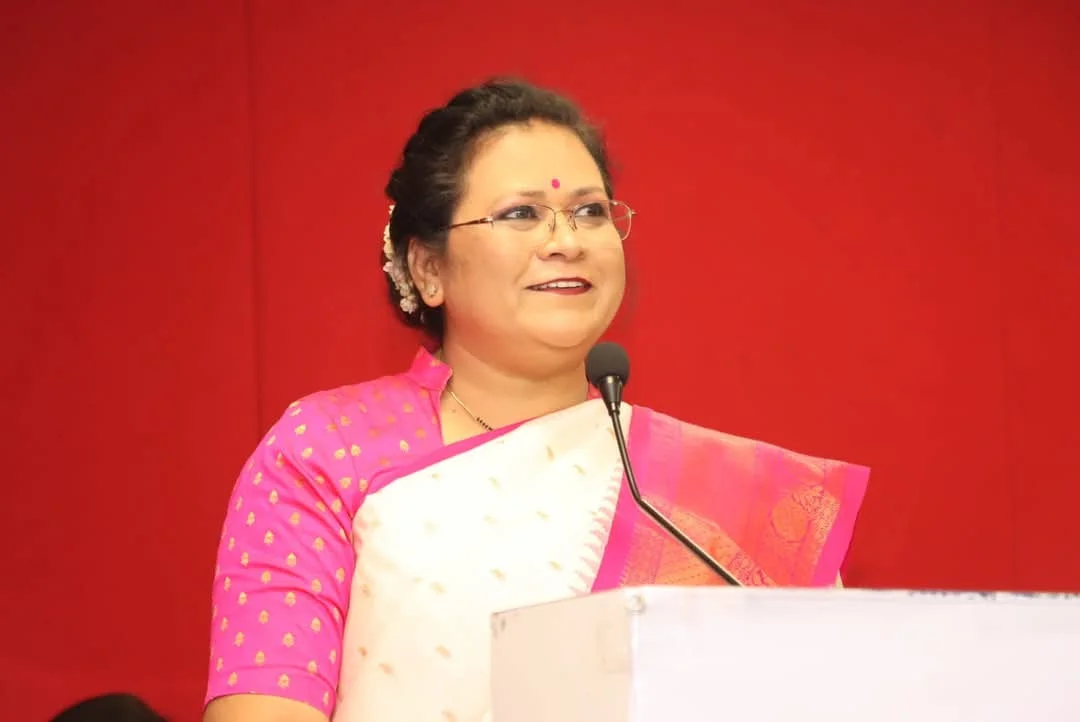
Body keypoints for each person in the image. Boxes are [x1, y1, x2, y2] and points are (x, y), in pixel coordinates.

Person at [203, 78, 870, 722]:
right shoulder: (330, 450)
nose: (567, 240)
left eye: (590, 211)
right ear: (428, 268)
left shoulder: (719, 498)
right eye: (521, 214)